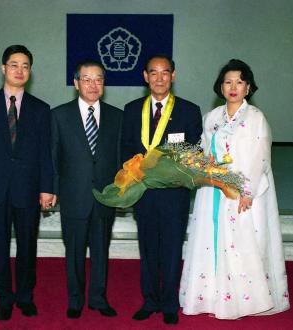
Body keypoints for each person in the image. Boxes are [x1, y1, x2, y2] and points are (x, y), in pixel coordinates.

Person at [179, 59, 290, 319]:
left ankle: (246, 300)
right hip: (214, 191)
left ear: (248, 88)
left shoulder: (255, 118)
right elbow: (204, 152)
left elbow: (260, 157)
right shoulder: (212, 118)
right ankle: (213, 296)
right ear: (220, 87)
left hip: (243, 193)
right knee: (212, 240)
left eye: (239, 82)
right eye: (228, 81)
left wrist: (246, 191)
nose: (233, 87)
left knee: (242, 242)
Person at [0, 45, 56, 321]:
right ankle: (4, 297)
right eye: (14, 65)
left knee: (28, 246)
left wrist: (47, 187)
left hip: (28, 190)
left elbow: (46, 153)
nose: (20, 71)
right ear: (3, 68)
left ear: (30, 72)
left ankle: (25, 296)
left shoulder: (41, 109)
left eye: (25, 66)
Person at [121, 54, 202, 325]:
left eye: (164, 72)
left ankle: (169, 302)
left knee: (170, 249)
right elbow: (125, 150)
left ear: (173, 75)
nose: (159, 78)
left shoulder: (189, 111)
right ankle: (149, 300)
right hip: (142, 193)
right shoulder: (132, 110)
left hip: (173, 195)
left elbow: (194, 154)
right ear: (145, 77)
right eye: (153, 73)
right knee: (147, 250)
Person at [51, 60, 122, 319]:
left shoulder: (117, 116)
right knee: (74, 251)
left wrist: (121, 191)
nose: (93, 85)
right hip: (74, 196)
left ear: (104, 83)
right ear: (76, 83)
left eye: (99, 79)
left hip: (105, 197)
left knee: (101, 251)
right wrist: (52, 190)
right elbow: (53, 158)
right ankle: (75, 300)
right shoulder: (59, 115)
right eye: (87, 79)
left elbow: (120, 161)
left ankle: (98, 298)